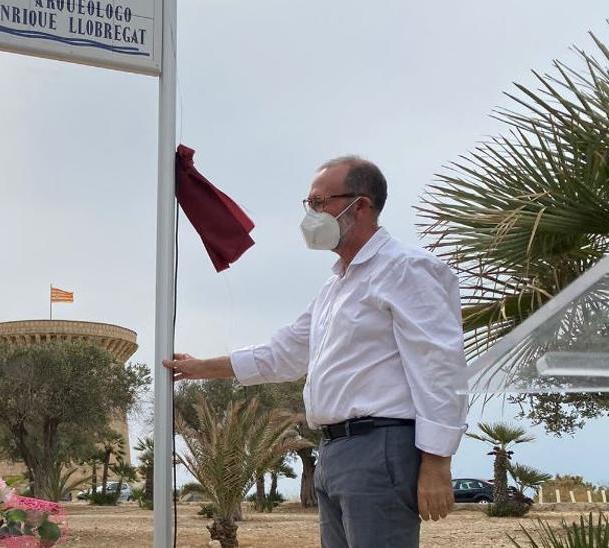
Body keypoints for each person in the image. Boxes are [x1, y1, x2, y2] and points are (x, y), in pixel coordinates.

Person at [165, 156, 468, 548]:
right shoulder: (334, 288)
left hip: (381, 447)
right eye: (308, 204)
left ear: (360, 205)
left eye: (320, 202)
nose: (311, 214)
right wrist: (203, 367)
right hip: (334, 451)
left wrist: (437, 461)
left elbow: (439, 364)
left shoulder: (406, 269)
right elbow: (285, 353)